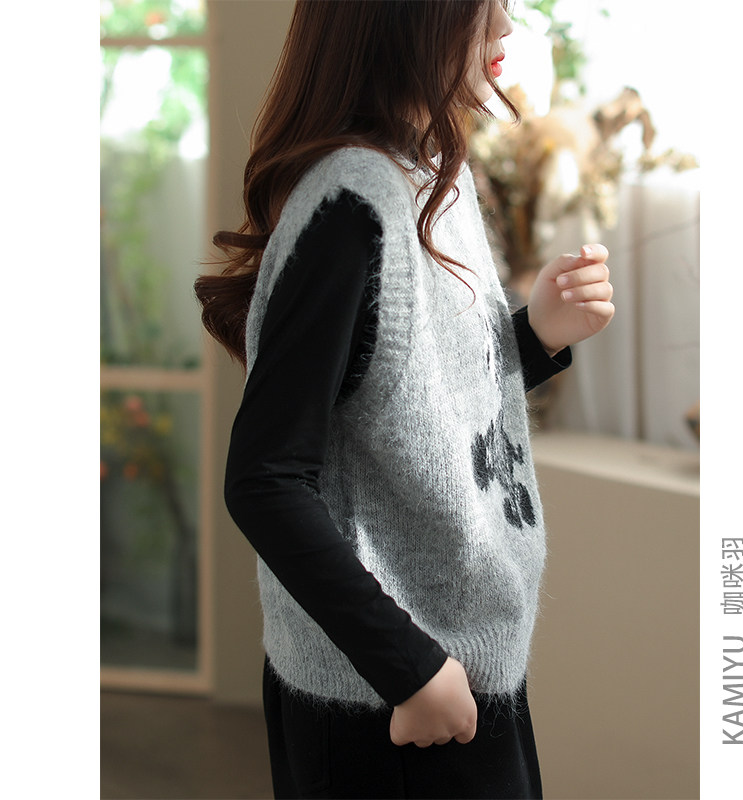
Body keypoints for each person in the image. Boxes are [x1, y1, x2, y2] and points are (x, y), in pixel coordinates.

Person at [194, 1, 614, 797]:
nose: (504, 27)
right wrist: (410, 668)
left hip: (456, 671)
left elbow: (425, 408)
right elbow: (263, 479)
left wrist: (536, 336)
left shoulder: (432, 179)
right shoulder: (353, 199)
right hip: (389, 698)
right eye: (484, 5)